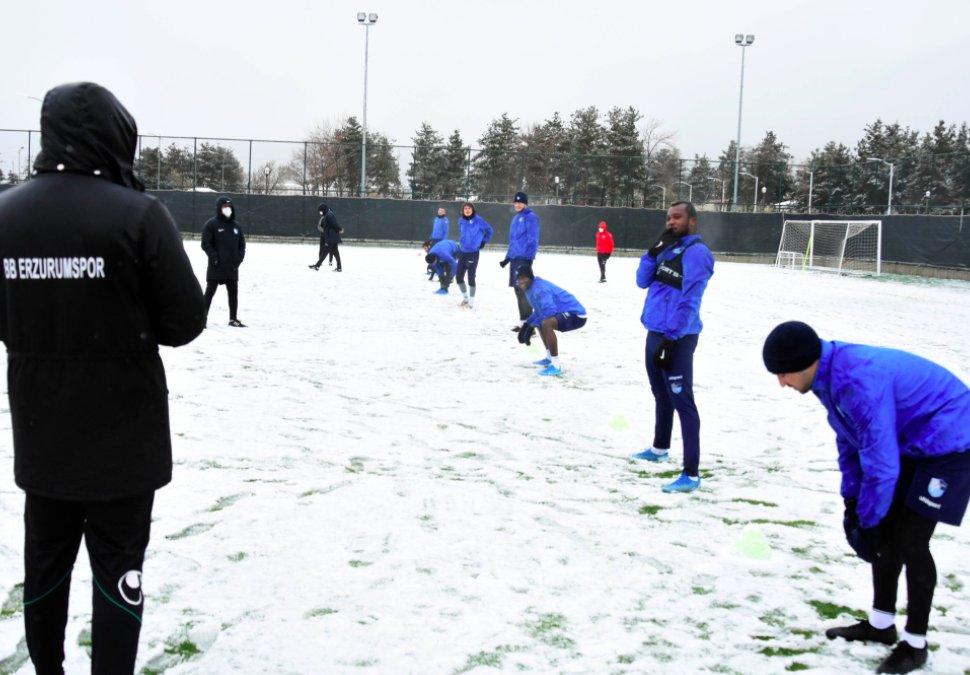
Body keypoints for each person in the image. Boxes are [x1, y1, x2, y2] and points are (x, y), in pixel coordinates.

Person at [0, 82, 205, 674]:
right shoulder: (138, 214)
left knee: (45, 560)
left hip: (44, 432)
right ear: (118, 134)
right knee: (118, 565)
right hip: (123, 437)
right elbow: (184, 320)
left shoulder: (6, 215)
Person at [762, 321, 970, 675]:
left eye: (783, 373)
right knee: (884, 531)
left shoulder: (857, 381)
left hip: (950, 441)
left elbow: (882, 461)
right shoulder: (826, 377)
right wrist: (852, 501)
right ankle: (881, 625)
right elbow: (850, 440)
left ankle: (915, 644)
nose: (781, 383)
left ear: (805, 362)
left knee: (909, 540)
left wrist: (868, 518)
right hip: (910, 440)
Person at [632, 201, 715, 494]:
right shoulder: (667, 248)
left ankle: (691, 474)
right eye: (668, 217)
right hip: (655, 331)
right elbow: (642, 282)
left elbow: (690, 299)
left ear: (692, 221)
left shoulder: (698, 254)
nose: (671, 222)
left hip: (677, 338)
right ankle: (659, 448)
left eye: (677, 217)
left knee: (683, 403)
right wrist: (652, 252)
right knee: (660, 394)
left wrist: (672, 337)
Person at [514, 267, 587, 377]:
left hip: (576, 315)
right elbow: (539, 311)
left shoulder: (540, 288)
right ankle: (549, 358)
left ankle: (556, 366)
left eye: (523, 278)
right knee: (540, 322)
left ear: (530, 278)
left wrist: (531, 326)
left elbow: (550, 310)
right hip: (563, 312)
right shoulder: (530, 288)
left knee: (546, 323)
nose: (520, 281)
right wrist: (527, 324)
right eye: (518, 279)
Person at [201, 197, 247, 327]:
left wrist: (239, 259)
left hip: (232, 267)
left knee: (233, 294)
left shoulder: (237, 226)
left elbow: (242, 245)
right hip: (216, 266)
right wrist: (214, 258)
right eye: (224, 207)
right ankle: (202, 320)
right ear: (219, 208)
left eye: (229, 207)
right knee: (209, 293)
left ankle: (233, 319)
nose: (227, 209)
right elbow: (205, 244)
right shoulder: (211, 224)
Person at [499, 191, 540, 331]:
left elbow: (533, 239)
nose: (517, 204)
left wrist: (529, 259)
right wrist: (507, 258)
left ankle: (530, 326)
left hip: (524, 258)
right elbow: (513, 241)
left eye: (520, 202)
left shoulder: (531, 217)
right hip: (515, 259)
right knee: (518, 290)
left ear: (525, 203)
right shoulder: (516, 219)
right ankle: (523, 323)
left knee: (524, 291)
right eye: (516, 202)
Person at [456, 202, 493, 308]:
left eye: (469, 208)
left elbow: (490, 230)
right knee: (459, 277)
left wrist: (484, 241)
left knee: (471, 277)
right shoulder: (461, 221)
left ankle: (471, 303)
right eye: (465, 208)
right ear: (463, 211)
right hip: (463, 252)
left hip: (473, 253)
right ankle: (465, 299)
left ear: (472, 210)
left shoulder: (478, 220)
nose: (467, 210)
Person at [308, 202, 343, 272]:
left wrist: (339, 229)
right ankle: (339, 267)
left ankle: (317, 266)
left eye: (320, 211)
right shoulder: (328, 214)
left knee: (325, 252)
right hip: (332, 236)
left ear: (323, 209)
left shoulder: (329, 215)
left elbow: (334, 224)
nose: (320, 212)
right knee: (335, 252)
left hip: (331, 237)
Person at [427, 206, 449, 280]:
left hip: (440, 240)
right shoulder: (435, 219)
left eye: (442, 211)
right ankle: (431, 269)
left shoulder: (445, 220)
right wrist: (430, 239)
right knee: (432, 255)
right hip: (434, 240)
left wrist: (443, 241)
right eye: (439, 210)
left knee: (440, 257)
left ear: (444, 212)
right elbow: (434, 230)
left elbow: (446, 232)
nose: (440, 212)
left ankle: (442, 272)